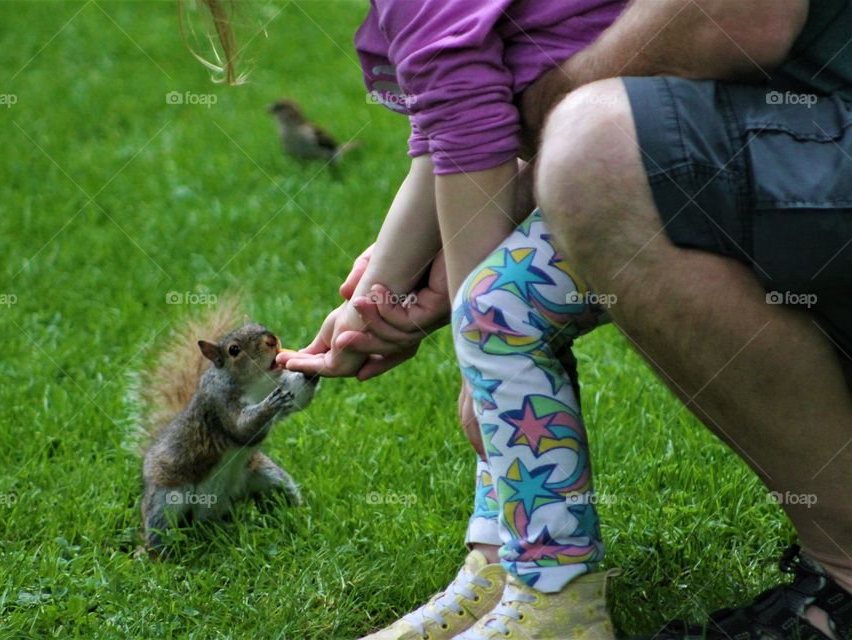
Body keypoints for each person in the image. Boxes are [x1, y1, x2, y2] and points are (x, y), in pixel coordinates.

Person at [286, 0, 852, 638]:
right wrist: (376, 298)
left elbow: (469, 128)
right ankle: (500, 569)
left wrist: (474, 363)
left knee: (494, 310)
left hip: (695, 149)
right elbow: (441, 134)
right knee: (496, 306)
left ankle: (554, 600)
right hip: (700, 136)